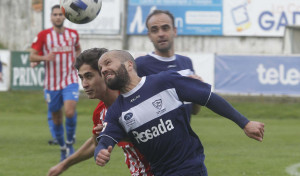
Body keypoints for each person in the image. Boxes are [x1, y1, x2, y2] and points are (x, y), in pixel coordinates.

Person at [94, 50, 265, 176]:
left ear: (129, 64)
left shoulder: (165, 81)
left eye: (108, 63)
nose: (103, 69)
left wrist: (244, 123)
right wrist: (100, 151)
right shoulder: (116, 111)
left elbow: (208, 98)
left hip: (189, 167)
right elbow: (106, 139)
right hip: (160, 172)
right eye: (101, 68)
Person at [47, 48, 153, 176]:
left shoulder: (136, 96)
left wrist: (116, 131)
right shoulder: (100, 113)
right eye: (81, 78)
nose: (84, 84)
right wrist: (64, 165)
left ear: (105, 74)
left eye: (89, 76)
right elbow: (94, 143)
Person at [30, 4, 81, 161]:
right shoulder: (44, 35)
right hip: (51, 84)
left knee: (70, 111)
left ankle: (70, 142)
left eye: (60, 14)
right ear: (51, 17)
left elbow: (78, 50)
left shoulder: (73, 34)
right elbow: (32, 57)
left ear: (64, 16)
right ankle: (62, 148)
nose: (58, 17)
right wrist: (44, 57)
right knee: (57, 118)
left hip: (70, 79)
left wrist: (78, 61)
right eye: (55, 14)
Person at [135, 9, 201, 120]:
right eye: (155, 30)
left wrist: (198, 90)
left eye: (165, 28)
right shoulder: (141, 65)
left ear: (174, 31)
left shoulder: (186, 62)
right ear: (149, 36)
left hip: (186, 137)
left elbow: (194, 111)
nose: (161, 34)